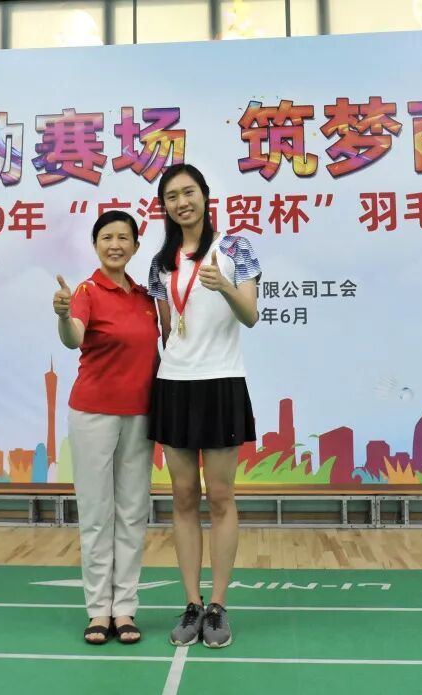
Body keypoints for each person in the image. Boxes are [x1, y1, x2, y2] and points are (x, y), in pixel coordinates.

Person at [147, 164, 261, 649]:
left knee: (220, 497)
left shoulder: (235, 249)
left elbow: (250, 316)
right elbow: (166, 330)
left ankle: (217, 606)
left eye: (188, 192)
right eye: (171, 196)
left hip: (221, 383)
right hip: (174, 384)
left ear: (205, 195)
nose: (181, 202)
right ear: (165, 207)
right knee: (182, 498)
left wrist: (225, 286)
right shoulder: (160, 262)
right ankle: (192, 603)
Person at [53, 210, 160, 645]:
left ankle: (125, 609)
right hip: (93, 414)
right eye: (107, 238)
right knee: (97, 514)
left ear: (135, 246)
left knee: (133, 513)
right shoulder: (86, 291)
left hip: (140, 415)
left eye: (123, 238)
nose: (115, 245)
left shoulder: (145, 297)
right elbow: (74, 337)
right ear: (96, 245)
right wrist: (63, 315)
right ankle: (99, 610)